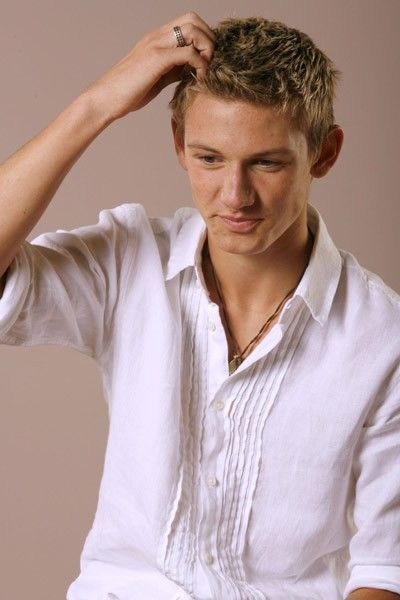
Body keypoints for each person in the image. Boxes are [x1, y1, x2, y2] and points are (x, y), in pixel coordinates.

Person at [0, 11, 399, 600]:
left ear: (324, 152)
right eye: (210, 158)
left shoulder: (384, 337)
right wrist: (96, 105)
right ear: (179, 145)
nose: (234, 196)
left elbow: (385, 571)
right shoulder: (131, 261)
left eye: (266, 162)